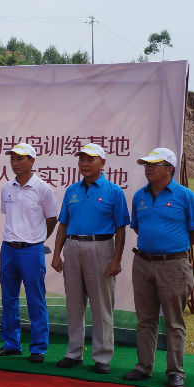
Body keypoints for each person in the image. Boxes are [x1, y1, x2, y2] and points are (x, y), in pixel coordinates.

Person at [123, 148, 194, 387]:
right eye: (146, 164)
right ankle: (143, 366)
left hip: (174, 266)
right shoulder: (139, 196)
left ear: (169, 169)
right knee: (145, 319)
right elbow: (139, 228)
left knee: (173, 321)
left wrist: (174, 248)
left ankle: (175, 371)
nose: (148, 168)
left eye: (154, 164)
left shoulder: (186, 196)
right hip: (143, 263)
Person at [51, 143, 129, 374]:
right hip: (73, 246)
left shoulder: (114, 191)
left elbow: (121, 229)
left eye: (90, 159)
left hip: (101, 246)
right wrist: (57, 254)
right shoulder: (72, 190)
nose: (84, 164)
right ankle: (73, 353)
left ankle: (102, 356)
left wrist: (116, 260)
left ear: (102, 163)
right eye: (82, 159)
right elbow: (63, 224)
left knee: (101, 304)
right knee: (74, 303)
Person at [0, 143, 58, 363]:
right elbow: (10, 216)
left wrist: (37, 239)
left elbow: (51, 219)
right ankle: (11, 343)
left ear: (32, 161)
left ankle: (38, 347)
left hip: (31, 250)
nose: (15, 163)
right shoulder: (7, 188)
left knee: (35, 299)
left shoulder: (43, 189)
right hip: (8, 249)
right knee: (9, 299)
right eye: (13, 159)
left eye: (21, 158)